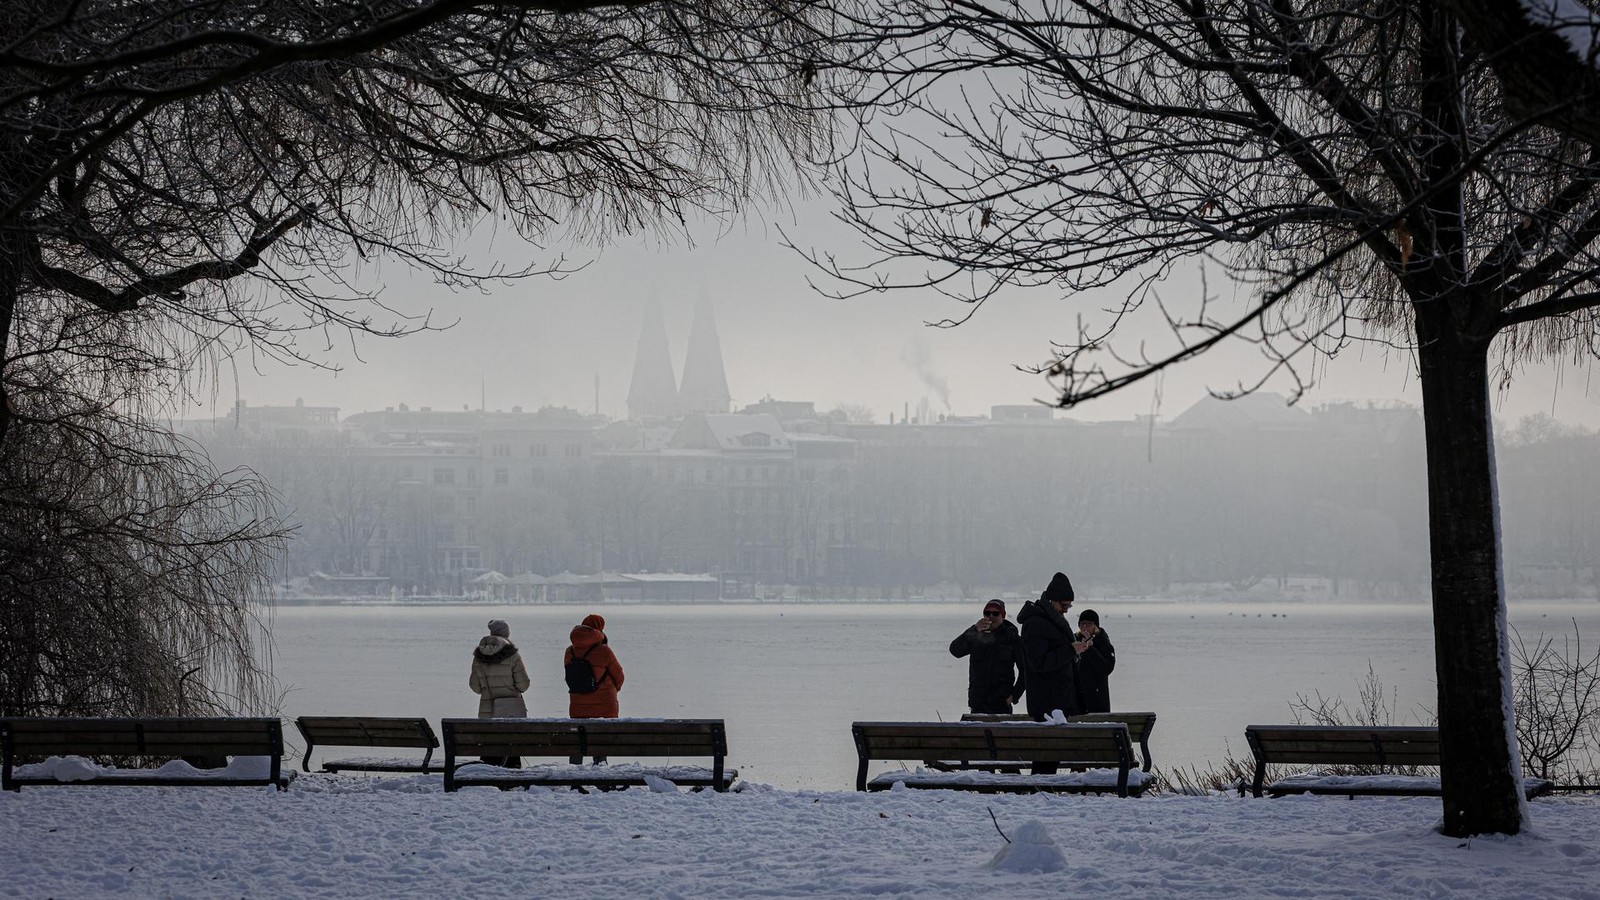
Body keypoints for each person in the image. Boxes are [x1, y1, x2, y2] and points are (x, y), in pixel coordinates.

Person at [1016, 571, 1080, 722]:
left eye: (1069, 606)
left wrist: (1076, 650)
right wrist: (1071, 650)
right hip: (1047, 705)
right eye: (1063, 605)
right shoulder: (1035, 624)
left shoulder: (1055, 622)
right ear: (1051, 601)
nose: (1066, 610)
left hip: (1060, 701)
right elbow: (1038, 662)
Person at [469, 618, 530, 767]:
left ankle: (488, 777)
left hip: (487, 712)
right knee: (510, 745)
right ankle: (511, 777)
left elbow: (475, 687)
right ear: (507, 634)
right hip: (510, 713)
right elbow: (523, 685)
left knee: (489, 746)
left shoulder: (479, 656)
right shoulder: (513, 655)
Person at [565, 613, 625, 764]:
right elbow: (619, 676)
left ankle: (574, 778)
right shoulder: (604, 651)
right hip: (605, 705)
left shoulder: (569, 652)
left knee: (578, 741)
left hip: (578, 704)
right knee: (600, 741)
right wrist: (612, 690)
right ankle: (601, 778)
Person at [948, 599, 1026, 714]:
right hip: (978, 701)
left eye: (995, 613)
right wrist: (973, 630)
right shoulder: (976, 635)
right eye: (987, 613)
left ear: (1002, 616)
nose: (991, 616)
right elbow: (955, 651)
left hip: (1002, 702)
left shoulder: (1012, 638)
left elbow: (1025, 670)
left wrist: (1014, 696)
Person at [1073, 608, 1116, 714]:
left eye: (1088, 623)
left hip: (1097, 700)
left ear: (1095, 626)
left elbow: (1107, 668)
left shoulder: (1104, 643)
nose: (1084, 627)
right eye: (1082, 623)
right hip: (1076, 699)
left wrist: (1091, 649)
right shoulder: (1073, 641)